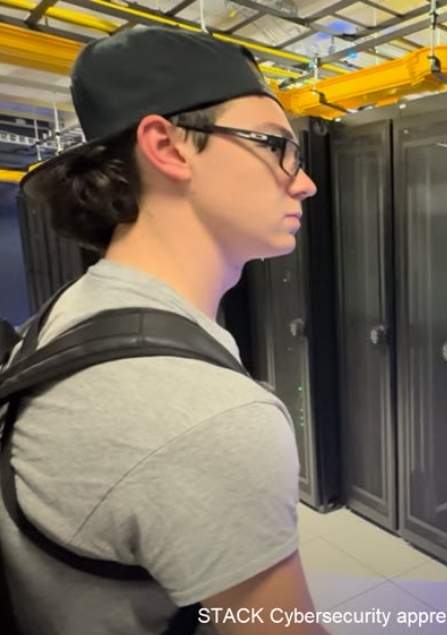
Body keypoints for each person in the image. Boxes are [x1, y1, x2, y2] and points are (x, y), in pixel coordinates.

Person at [0, 27, 326, 634]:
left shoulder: (67, 314)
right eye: (275, 144)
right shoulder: (209, 417)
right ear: (168, 148)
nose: (303, 181)